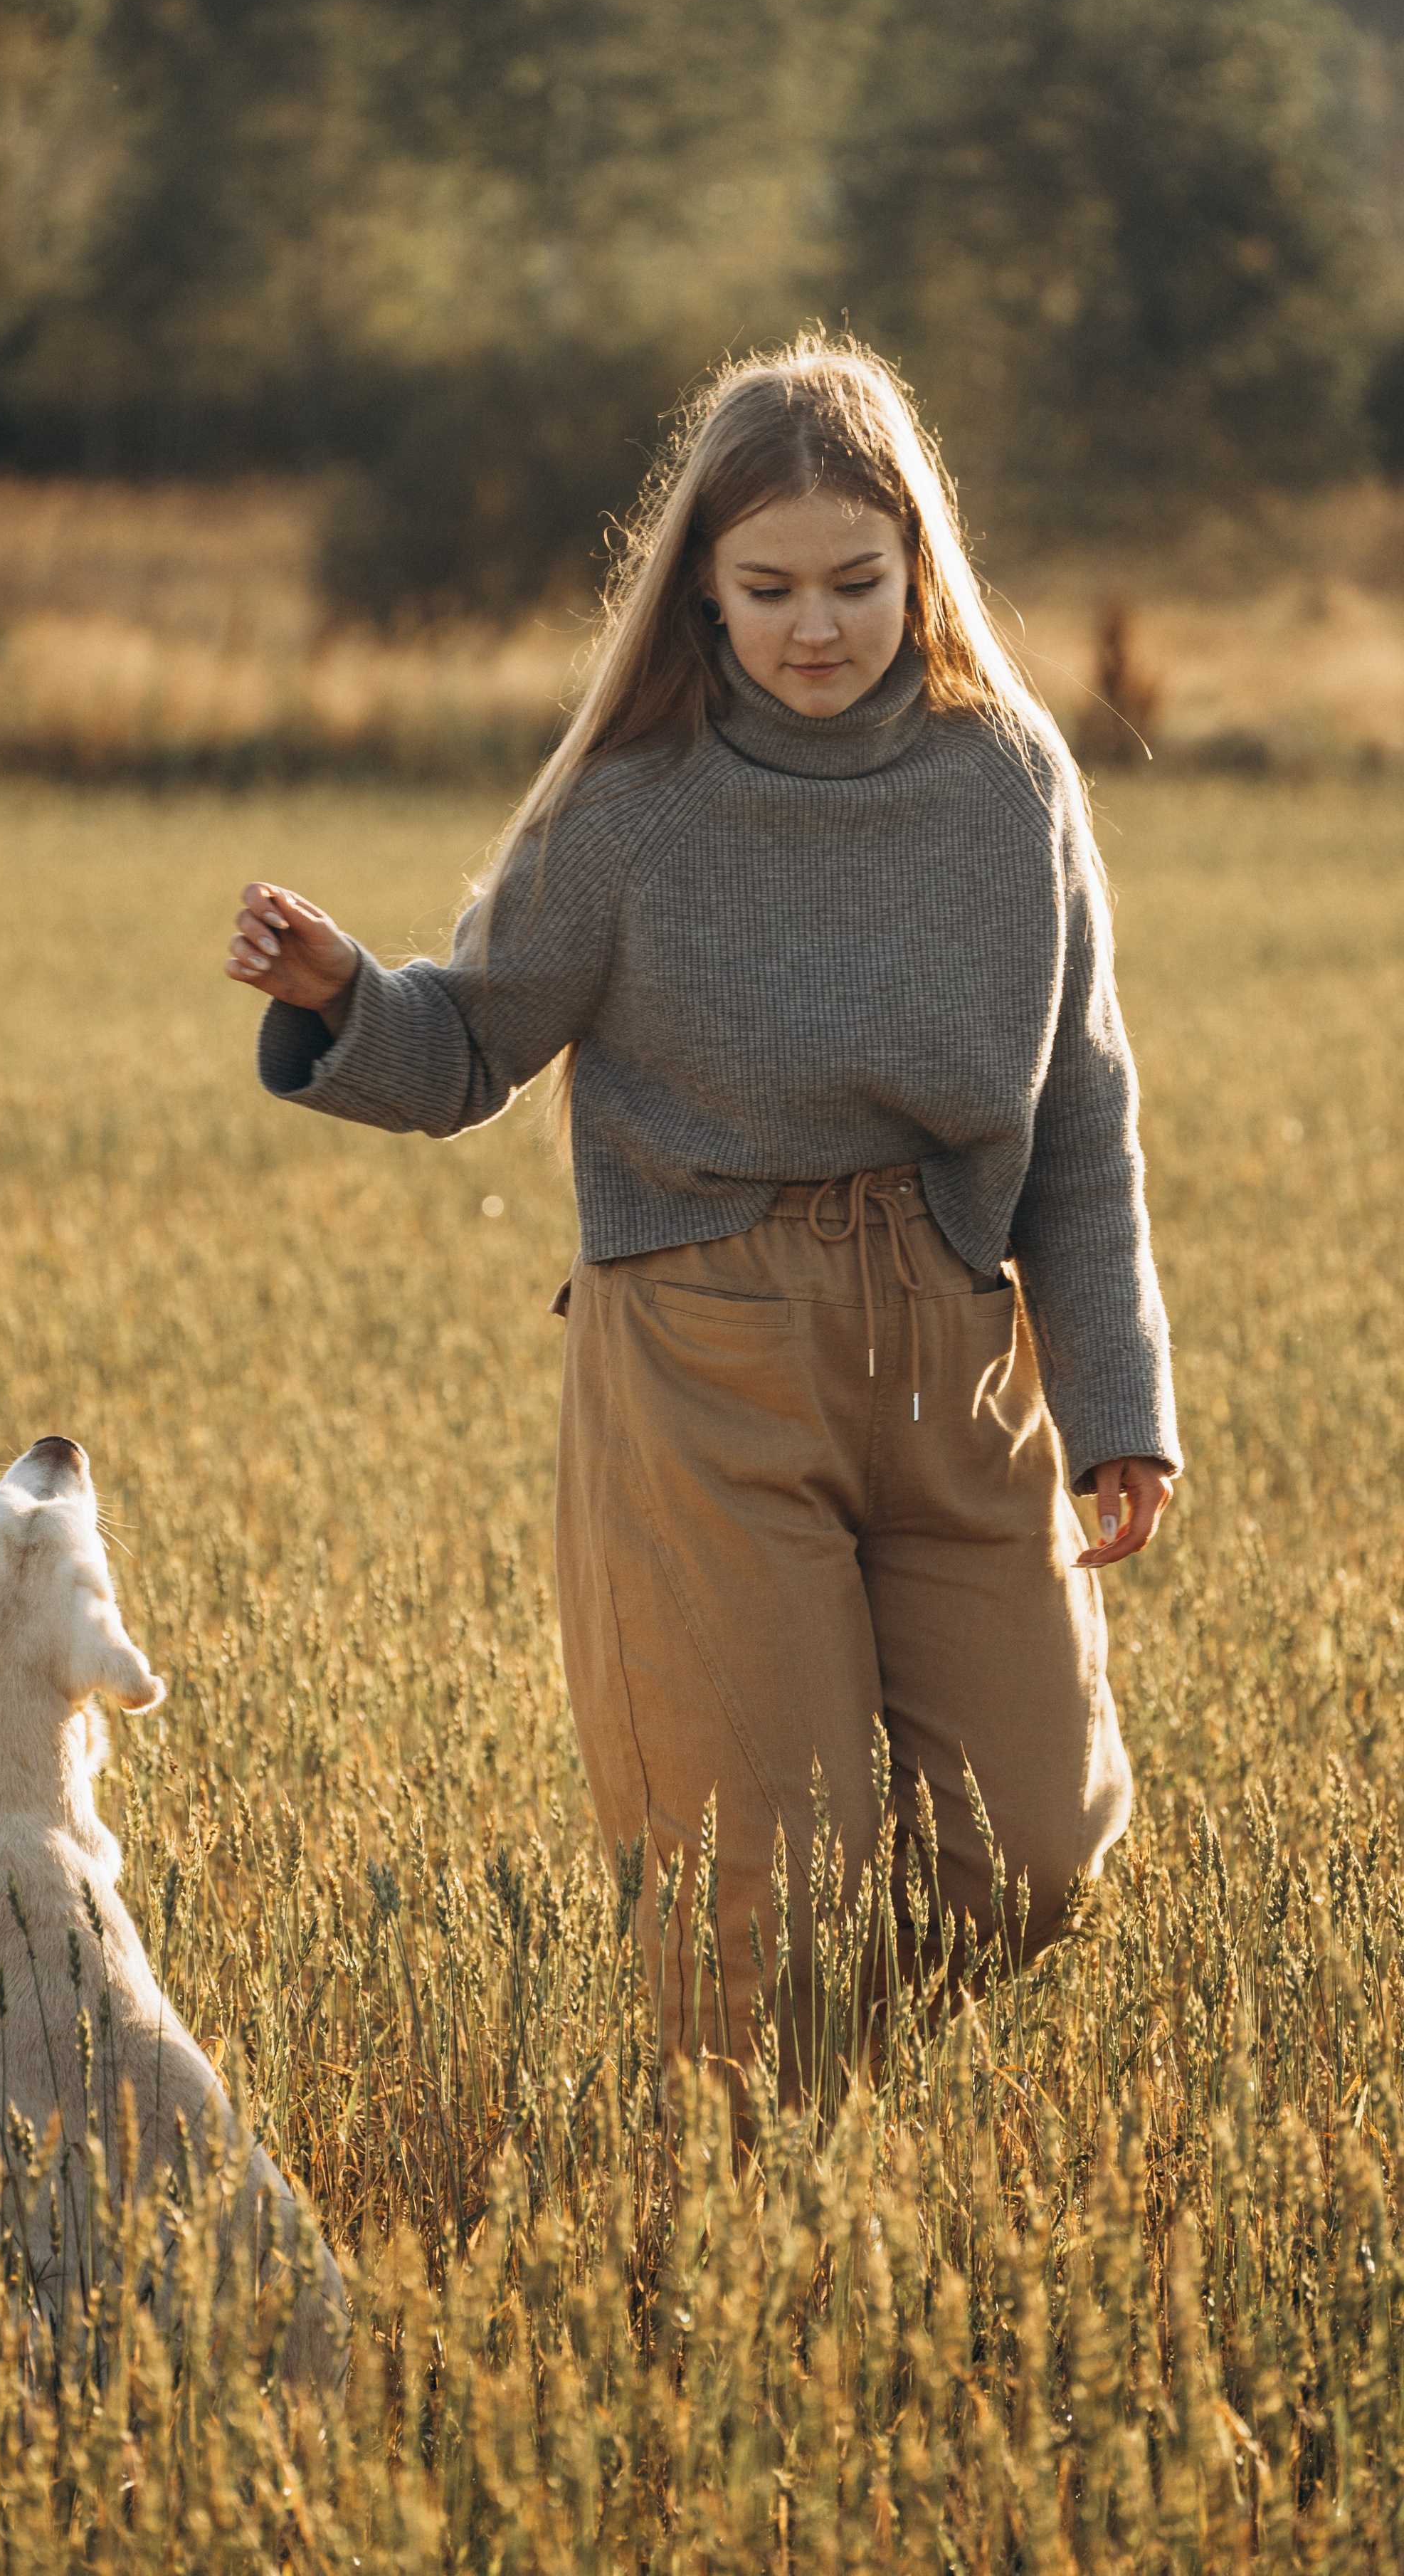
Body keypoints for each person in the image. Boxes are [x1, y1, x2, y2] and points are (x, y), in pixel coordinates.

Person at [223, 341, 1179, 2095]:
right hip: (704, 1367)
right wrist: (346, 993)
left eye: (852, 582)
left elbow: (1080, 1118)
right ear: (700, 594)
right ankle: (761, 2213)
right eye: (767, 589)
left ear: (918, 565)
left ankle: (812, 2092)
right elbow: (470, 1047)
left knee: (1032, 1858)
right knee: (767, 1901)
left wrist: (1119, 1408)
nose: (813, 625)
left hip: (955, 1367)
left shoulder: (1009, 783)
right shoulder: (628, 807)